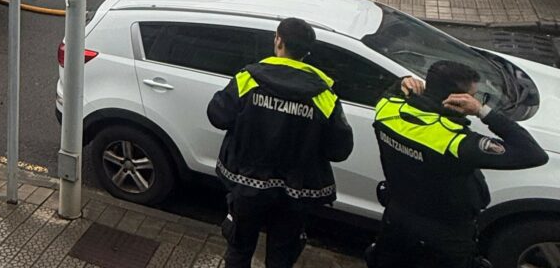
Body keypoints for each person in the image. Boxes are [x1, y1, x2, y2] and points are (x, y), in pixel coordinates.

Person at [367, 61, 548, 268]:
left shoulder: (387, 111)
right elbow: (533, 154)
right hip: (445, 234)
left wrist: (402, 82)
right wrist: (482, 111)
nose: (476, 100)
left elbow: (390, 92)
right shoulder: (456, 141)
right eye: (474, 96)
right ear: (457, 99)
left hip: (397, 219)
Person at [207, 18, 353, 268]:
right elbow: (339, 150)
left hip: (247, 186)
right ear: (307, 52)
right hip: (295, 194)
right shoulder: (324, 95)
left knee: (239, 249)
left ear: (278, 41)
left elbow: (217, 115)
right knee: (282, 256)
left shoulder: (248, 79)